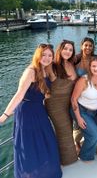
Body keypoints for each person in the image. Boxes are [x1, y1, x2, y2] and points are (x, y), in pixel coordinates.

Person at [0, 44, 62, 178]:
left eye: (49, 55)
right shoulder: (31, 71)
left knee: (45, 140)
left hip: (39, 109)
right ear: (38, 56)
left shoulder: (45, 70)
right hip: (26, 111)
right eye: (43, 55)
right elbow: (19, 95)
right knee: (29, 144)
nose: (46, 58)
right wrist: (4, 116)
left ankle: (45, 173)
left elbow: (42, 92)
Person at [45, 40, 78, 165]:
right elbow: (37, 77)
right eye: (65, 49)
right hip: (55, 105)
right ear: (60, 49)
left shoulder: (71, 63)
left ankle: (61, 159)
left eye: (70, 50)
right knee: (64, 133)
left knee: (68, 130)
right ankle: (68, 162)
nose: (68, 51)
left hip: (68, 104)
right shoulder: (51, 65)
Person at [71, 55, 97, 161]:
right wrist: (78, 118)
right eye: (94, 66)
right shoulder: (84, 80)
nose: (96, 68)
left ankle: (87, 150)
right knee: (94, 135)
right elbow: (73, 99)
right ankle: (85, 157)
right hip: (81, 111)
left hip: (95, 113)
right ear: (90, 67)